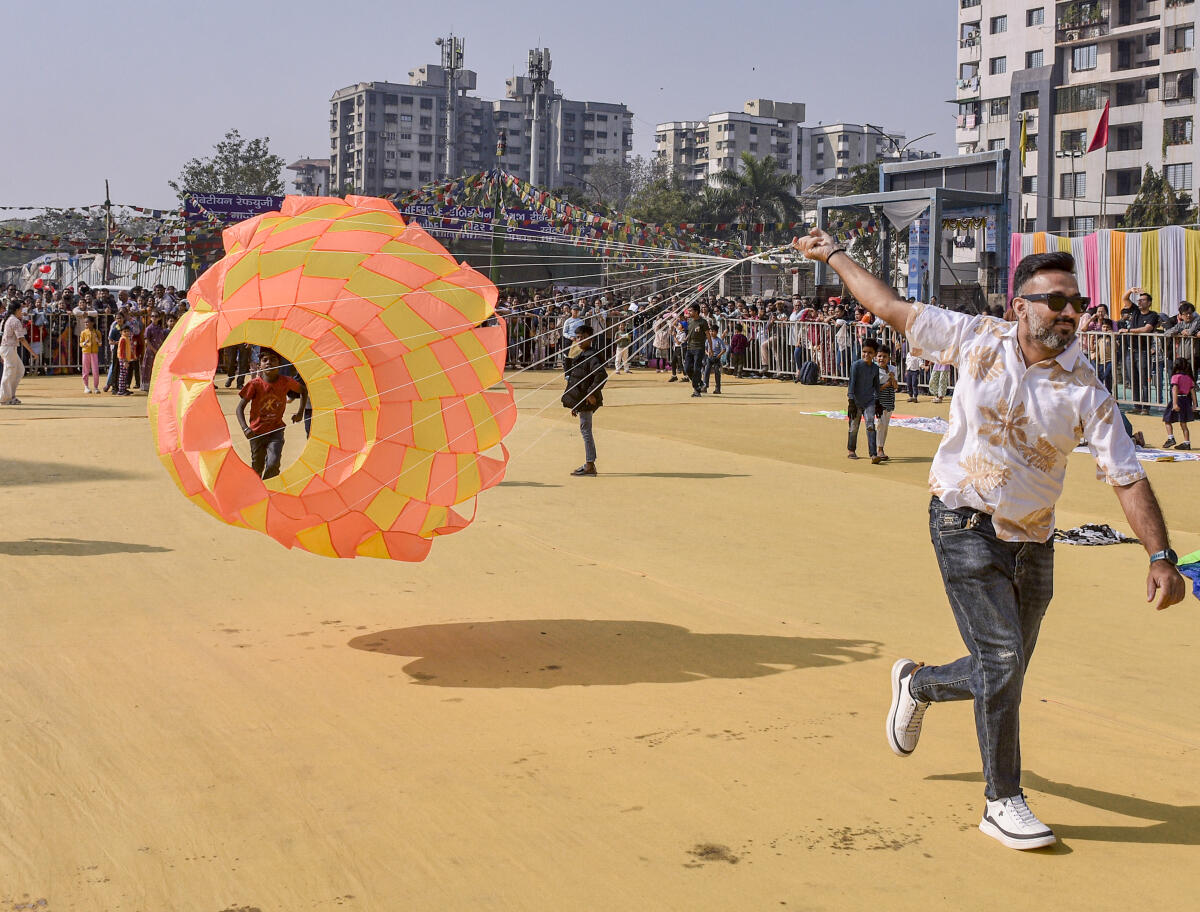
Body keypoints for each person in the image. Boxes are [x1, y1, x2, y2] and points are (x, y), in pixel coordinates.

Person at [795, 231, 1186, 851]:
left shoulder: (1087, 388)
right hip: (963, 522)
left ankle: (919, 684)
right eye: (1053, 300)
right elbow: (889, 307)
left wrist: (1161, 556)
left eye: (1075, 303)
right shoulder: (974, 336)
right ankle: (1002, 799)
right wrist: (834, 255)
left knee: (1003, 669)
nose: (1067, 313)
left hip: (1034, 542)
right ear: (1019, 305)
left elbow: (1126, 476)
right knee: (1002, 663)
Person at [236, 349, 306, 480]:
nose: (269, 363)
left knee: (273, 464)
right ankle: (257, 491)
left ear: (279, 364)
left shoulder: (286, 381)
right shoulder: (254, 384)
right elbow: (239, 409)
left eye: (273, 360)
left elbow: (303, 391)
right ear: (259, 365)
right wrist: (245, 428)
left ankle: (269, 490)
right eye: (265, 360)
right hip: (256, 432)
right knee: (257, 467)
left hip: (276, 430)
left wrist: (300, 412)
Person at [561, 324, 607, 477]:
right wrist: (575, 404)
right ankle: (589, 463)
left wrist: (591, 393)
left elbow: (601, 375)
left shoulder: (591, 356)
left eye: (582, 337)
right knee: (585, 430)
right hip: (582, 399)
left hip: (587, 399)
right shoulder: (582, 355)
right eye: (578, 337)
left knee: (586, 430)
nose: (579, 340)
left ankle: (590, 464)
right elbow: (576, 380)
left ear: (590, 338)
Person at [1117, 287, 1161, 414]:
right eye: (1139, 300)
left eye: (1143, 300)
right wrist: (1131, 290)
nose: (1140, 302)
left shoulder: (1153, 315)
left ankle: (1145, 407)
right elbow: (1124, 298)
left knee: (1144, 380)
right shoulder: (1135, 311)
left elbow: (1147, 329)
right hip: (1131, 351)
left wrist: (1129, 331)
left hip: (1143, 352)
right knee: (1133, 380)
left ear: (1149, 302)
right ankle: (1137, 406)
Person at [846, 337, 880, 462]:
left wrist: (878, 402)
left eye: (870, 352)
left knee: (870, 425)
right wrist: (851, 401)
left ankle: (873, 453)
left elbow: (876, 386)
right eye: (864, 351)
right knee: (854, 426)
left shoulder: (875, 368)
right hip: (856, 401)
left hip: (869, 401)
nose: (866, 354)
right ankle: (851, 449)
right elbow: (852, 383)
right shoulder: (856, 366)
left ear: (875, 354)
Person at [1, 301, 35, 405]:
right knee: (9, 373)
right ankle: (4, 398)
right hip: (9, 348)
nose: (22, 311)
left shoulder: (7, 319)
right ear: (16, 310)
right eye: (21, 309)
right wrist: (32, 352)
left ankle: (10, 395)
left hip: (8, 348)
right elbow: (21, 339)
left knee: (20, 370)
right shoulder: (14, 320)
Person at [1162, 357, 1195, 450]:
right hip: (1185, 400)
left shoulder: (1175, 377)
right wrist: (1195, 404)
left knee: (1167, 420)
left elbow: (1175, 390)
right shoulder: (1189, 378)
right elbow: (1192, 392)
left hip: (1177, 400)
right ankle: (1187, 442)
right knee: (1183, 424)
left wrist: (1175, 403)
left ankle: (1170, 438)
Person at [874, 343, 898, 462]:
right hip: (878, 401)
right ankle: (878, 449)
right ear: (876, 357)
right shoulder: (873, 370)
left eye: (884, 356)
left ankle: (881, 447)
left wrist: (892, 379)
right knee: (880, 424)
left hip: (889, 400)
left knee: (885, 426)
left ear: (888, 358)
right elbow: (874, 388)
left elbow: (895, 386)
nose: (881, 359)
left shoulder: (892, 369)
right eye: (879, 356)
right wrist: (886, 384)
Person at [682, 303, 709, 397]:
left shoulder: (703, 322)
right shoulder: (690, 321)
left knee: (697, 369)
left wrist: (710, 349)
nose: (689, 312)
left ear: (696, 311)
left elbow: (708, 335)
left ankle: (696, 389)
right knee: (687, 368)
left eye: (690, 310)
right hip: (690, 347)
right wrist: (685, 339)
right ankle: (700, 383)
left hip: (699, 348)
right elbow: (690, 332)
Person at [79, 316, 103, 393]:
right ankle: (86, 386)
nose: (86, 323)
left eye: (87, 322)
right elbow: (80, 344)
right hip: (86, 352)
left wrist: (97, 340)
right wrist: (84, 343)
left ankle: (96, 387)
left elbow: (100, 344)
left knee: (95, 370)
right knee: (85, 370)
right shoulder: (83, 332)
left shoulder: (97, 332)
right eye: (85, 322)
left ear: (92, 323)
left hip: (94, 353)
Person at [703, 327, 725, 395]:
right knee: (706, 372)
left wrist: (719, 355)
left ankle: (717, 388)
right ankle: (705, 386)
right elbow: (705, 349)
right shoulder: (708, 340)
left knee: (717, 373)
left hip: (716, 358)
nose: (711, 333)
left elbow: (724, 349)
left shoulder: (719, 340)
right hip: (710, 357)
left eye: (713, 331)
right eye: (710, 331)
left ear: (716, 332)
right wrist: (707, 353)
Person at [115, 326, 136, 396]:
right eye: (125, 331)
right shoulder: (123, 339)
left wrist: (132, 357)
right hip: (123, 359)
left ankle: (123, 388)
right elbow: (122, 351)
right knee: (122, 374)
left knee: (124, 374)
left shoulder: (127, 339)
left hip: (126, 359)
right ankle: (121, 390)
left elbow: (129, 349)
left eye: (128, 331)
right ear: (121, 332)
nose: (127, 332)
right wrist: (124, 360)